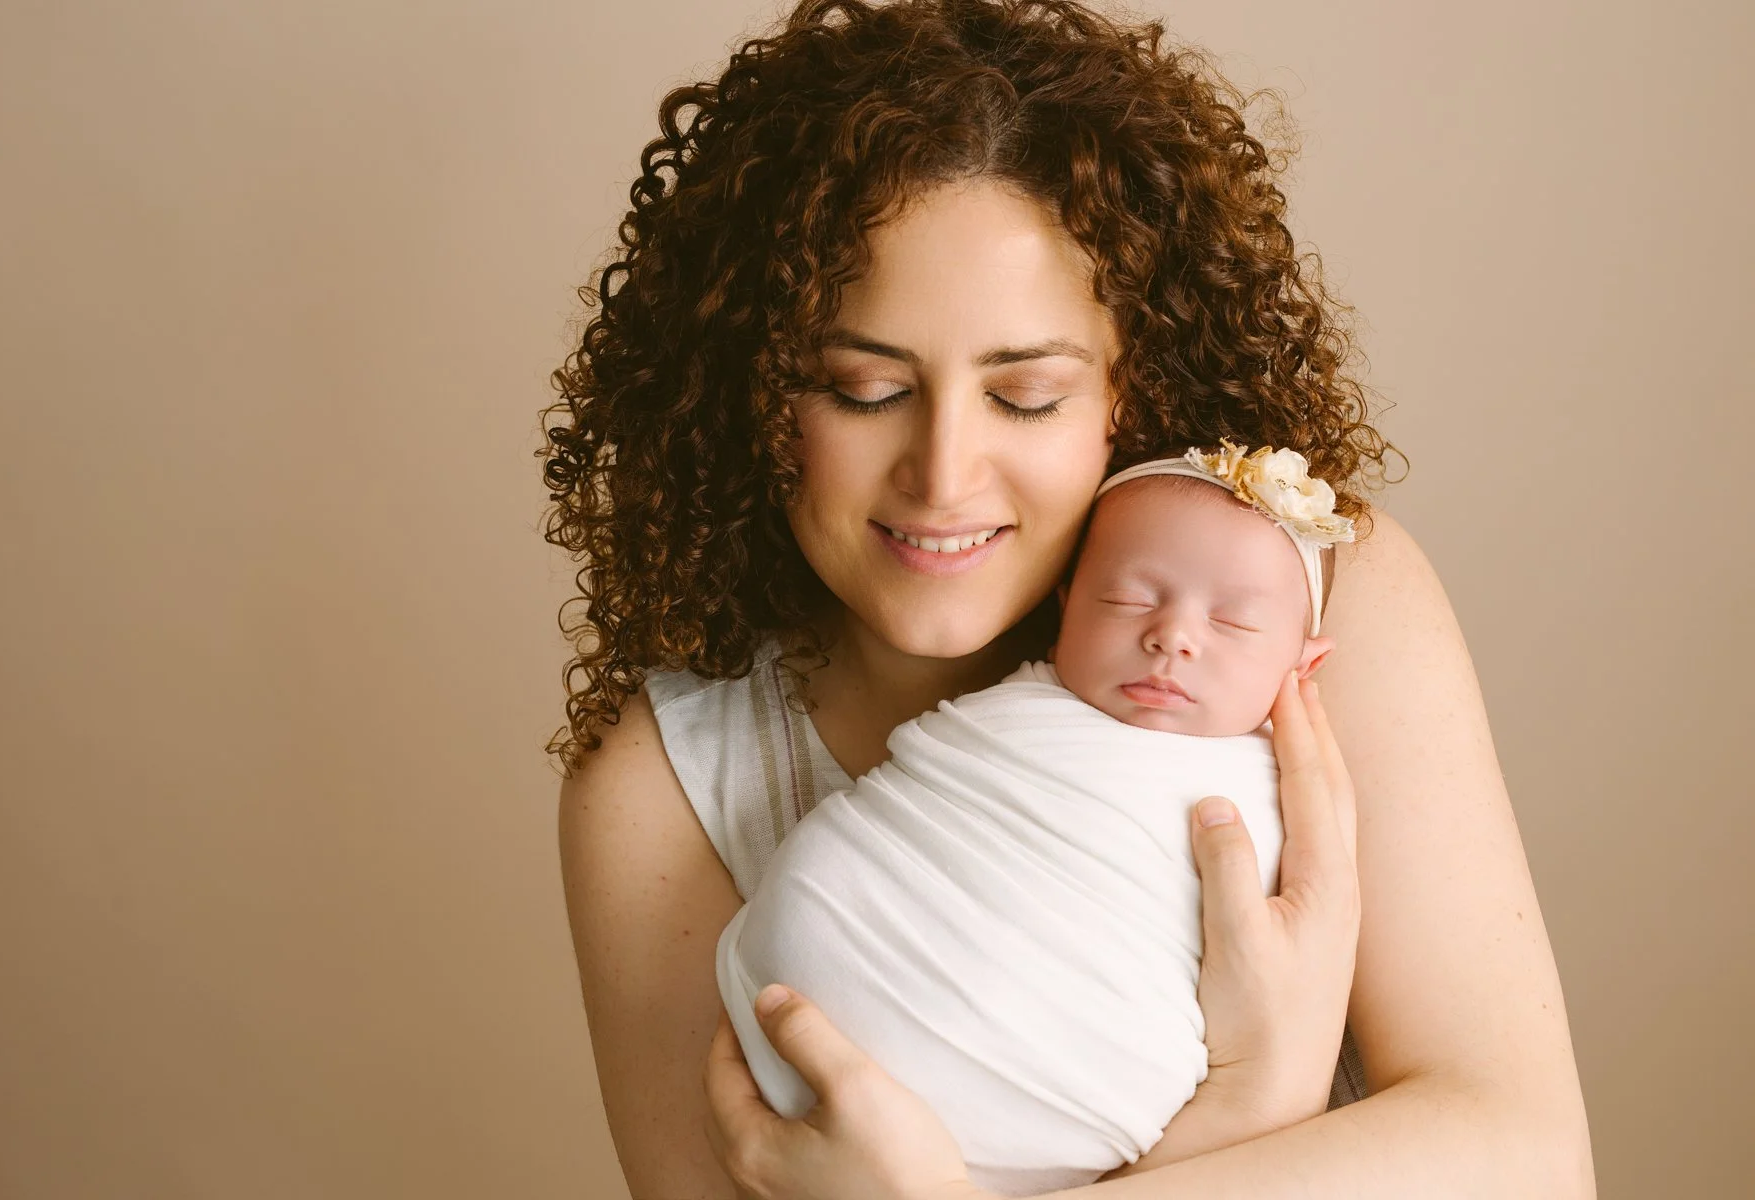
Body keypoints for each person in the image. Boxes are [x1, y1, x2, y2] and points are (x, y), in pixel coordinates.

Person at [546, 2, 1593, 1197]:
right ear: (752, 391)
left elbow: (1528, 1163)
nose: (943, 476)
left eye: (1028, 397)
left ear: (1124, 391)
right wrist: (1260, 1091)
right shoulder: (665, 789)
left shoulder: (1304, 605)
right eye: (862, 388)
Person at [714, 446, 1354, 1197]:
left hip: (1030, 1095)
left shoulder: (1280, 798)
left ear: (1305, 667)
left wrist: (1263, 1087)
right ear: (1066, 602)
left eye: (1235, 623)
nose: (1173, 636)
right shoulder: (1016, 715)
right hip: (786, 1049)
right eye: (1126, 598)